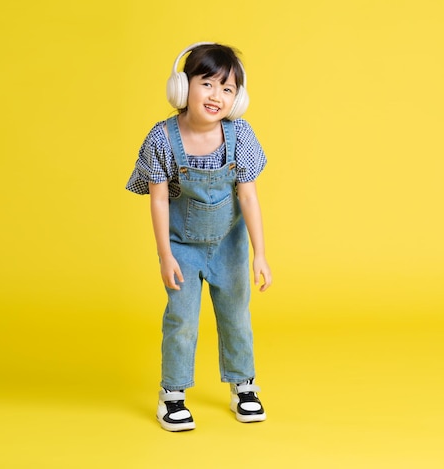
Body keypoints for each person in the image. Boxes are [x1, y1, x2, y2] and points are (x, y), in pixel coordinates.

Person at [126, 42, 272, 432]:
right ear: (181, 87)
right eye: (207, 83)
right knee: (181, 319)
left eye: (228, 89)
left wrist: (259, 253)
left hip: (229, 245)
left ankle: (244, 385)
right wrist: (165, 255)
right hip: (181, 248)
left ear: (238, 98)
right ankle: (172, 395)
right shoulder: (161, 139)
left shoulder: (240, 136)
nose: (216, 96)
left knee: (236, 316)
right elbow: (157, 202)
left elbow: (248, 194)